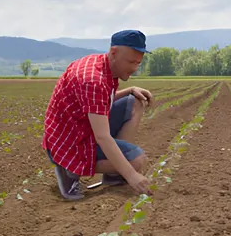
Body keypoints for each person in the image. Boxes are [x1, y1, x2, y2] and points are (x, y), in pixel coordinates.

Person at [42, 29, 154, 200]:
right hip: (69, 142)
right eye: (131, 62)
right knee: (137, 161)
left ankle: (114, 173)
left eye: (138, 63)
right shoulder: (92, 80)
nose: (135, 69)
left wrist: (130, 90)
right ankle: (69, 169)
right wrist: (132, 175)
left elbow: (97, 102)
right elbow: (102, 136)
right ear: (114, 52)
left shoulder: (101, 64)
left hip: (80, 126)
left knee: (135, 102)